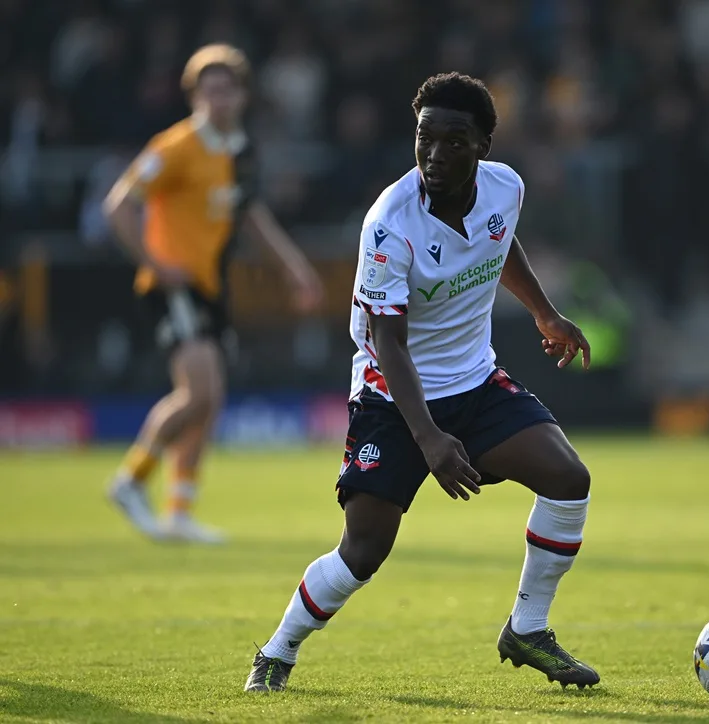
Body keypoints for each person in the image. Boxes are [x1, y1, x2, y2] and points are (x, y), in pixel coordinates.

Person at [244, 72, 598, 692]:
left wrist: (544, 311)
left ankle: (528, 629)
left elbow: (498, 244)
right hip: (392, 395)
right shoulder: (388, 223)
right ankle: (277, 650)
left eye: (454, 141)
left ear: (483, 145)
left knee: (569, 479)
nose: (435, 154)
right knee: (363, 552)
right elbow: (389, 344)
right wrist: (430, 438)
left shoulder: (505, 188)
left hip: (475, 381)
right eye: (425, 139)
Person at [104, 44, 324, 543]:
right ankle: (130, 479)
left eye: (227, 89)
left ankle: (179, 510)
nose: (218, 99)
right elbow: (118, 205)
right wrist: (156, 264)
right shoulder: (176, 146)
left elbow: (251, 215)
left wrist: (295, 269)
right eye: (209, 89)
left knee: (210, 399)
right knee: (199, 391)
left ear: (242, 95)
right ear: (194, 95)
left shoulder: (240, 150)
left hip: (209, 286)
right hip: (172, 285)